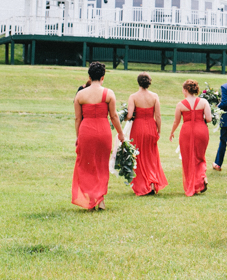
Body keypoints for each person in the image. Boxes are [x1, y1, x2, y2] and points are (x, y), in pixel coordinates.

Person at [72, 62, 125, 210]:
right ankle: (100, 199)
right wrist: (121, 134)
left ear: (89, 76)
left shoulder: (80, 94)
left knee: (87, 165)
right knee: (102, 165)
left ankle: (90, 199)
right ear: (103, 77)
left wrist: (78, 136)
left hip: (86, 131)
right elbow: (114, 116)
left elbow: (77, 118)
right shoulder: (108, 93)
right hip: (103, 131)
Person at [125, 72, 168, 196]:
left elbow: (129, 115)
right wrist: (159, 130)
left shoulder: (133, 97)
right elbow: (158, 116)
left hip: (138, 128)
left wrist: (124, 115)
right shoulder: (154, 96)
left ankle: (143, 184)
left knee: (139, 156)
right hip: (150, 127)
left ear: (138, 82)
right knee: (151, 156)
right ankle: (152, 182)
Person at [170, 79, 212, 196]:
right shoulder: (203, 102)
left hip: (186, 132)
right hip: (201, 130)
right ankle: (201, 177)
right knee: (200, 156)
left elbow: (176, 121)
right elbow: (209, 119)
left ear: (185, 90)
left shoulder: (180, 104)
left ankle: (192, 184)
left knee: (188, 158)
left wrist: (172, 132)